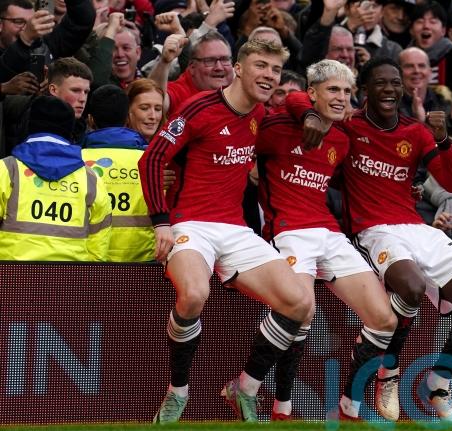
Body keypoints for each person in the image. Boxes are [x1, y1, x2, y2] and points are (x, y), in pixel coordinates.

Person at [289, 57, 452, 422]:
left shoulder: (415, 131)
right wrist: (308, 115)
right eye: (381, 83)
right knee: (410, 287)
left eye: (395, 83)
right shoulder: (349, 125)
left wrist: (443, 138)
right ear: (364, 90)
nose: (389, 89)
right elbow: (297, 99)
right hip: (374, 229)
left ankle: (439, 383)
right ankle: (389, 371)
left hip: (416, 227)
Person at [138, 39, 313, 424]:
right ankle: (178, 391)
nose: (269, 76)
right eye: (261, 66)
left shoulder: (261, 114)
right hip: (190, 223)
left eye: (275, 70)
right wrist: (161, 222)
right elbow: (151, 159)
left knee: (300, 304)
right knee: (194, 295)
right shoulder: (199, 107)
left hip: (235, 228)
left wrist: (304, 108)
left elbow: (300, 102)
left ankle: (245, 387)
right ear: (238, 68)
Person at [257, 59, 396, 421]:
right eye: (333, 89)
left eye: (347, 91)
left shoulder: (342, 139)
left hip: (330, 233)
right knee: (302, 312)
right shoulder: (277, 126)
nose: (341, 97)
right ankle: (280, 408)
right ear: (312, 93)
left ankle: (350, 408)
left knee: (384, 319)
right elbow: (287, 103)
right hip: (288, 231)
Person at [0, 96, 111, 261]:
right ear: (70, 128)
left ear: (28, 124)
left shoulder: (7, 169)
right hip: (72, 274)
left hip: (12, 273)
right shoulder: (90, 178)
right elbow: (99, 239)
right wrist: (89, 273)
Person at [81, 84, 154, 262]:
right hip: (145, 260)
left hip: (92, 260)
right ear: (128, 117)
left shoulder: (77, 161)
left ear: (90, 120)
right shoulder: (151, 161)